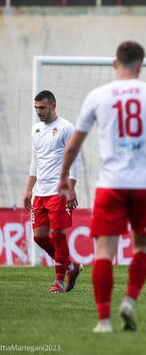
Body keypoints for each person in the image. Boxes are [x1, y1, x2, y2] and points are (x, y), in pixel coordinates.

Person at [58, 41, 146, 333]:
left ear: (116, 64)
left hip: (110, 184)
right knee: (142, 246)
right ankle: (129, 299)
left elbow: (74, 143)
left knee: (103, 252)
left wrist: (64, 176)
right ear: (140, 65)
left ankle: (103, 319)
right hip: (144, 185)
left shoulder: (97, 95)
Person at [23, 90, 83, 293]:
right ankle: (71, 266)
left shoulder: (66, 128)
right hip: (40, 192)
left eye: (42, 107)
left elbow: (75, 159)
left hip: (59, 191)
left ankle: (58, 281)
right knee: (39, 237)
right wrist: (29, 188)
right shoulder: (36, 130)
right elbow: (35, 160)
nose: (39, 111)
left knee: (58, 235)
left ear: (53, 106)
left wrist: (71, 187)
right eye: (36, 108)